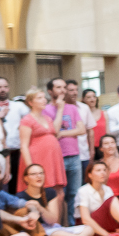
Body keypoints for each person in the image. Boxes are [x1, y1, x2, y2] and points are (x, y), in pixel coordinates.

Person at [17, 87, 67, 198]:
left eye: (44, 97)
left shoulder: (47, 118)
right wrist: (30, 167)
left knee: (58, 189)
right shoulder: (27, 120)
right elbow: (24, 146)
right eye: (39, 98)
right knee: (42, 189)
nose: (44, 100)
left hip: (52, 158)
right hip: (37, 158)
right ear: (31, 102)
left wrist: (60, 110)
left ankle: (58, 215)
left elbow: (55, 130)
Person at [44, 78, 85, 208]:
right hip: (57, 157)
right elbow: (54, 131)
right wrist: (60, 109)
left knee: (75, 193)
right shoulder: (45, 110)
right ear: (50, 91)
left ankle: (73, 224)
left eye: (64, 87)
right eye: (58, 87)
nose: (62, 90)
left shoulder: (72, 108)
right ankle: (62, 224)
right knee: (59, 194)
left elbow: (82, 129)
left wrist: (63, 133)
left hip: (74, 155)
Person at [78, 88, 106, 165]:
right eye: (88, 97)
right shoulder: (81, 115)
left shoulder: (104, 114)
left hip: (102, 149)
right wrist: (91, 150)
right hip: (87, 149)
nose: (92, 99)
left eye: (94, 96)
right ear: (83, 99)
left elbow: (108, 133)